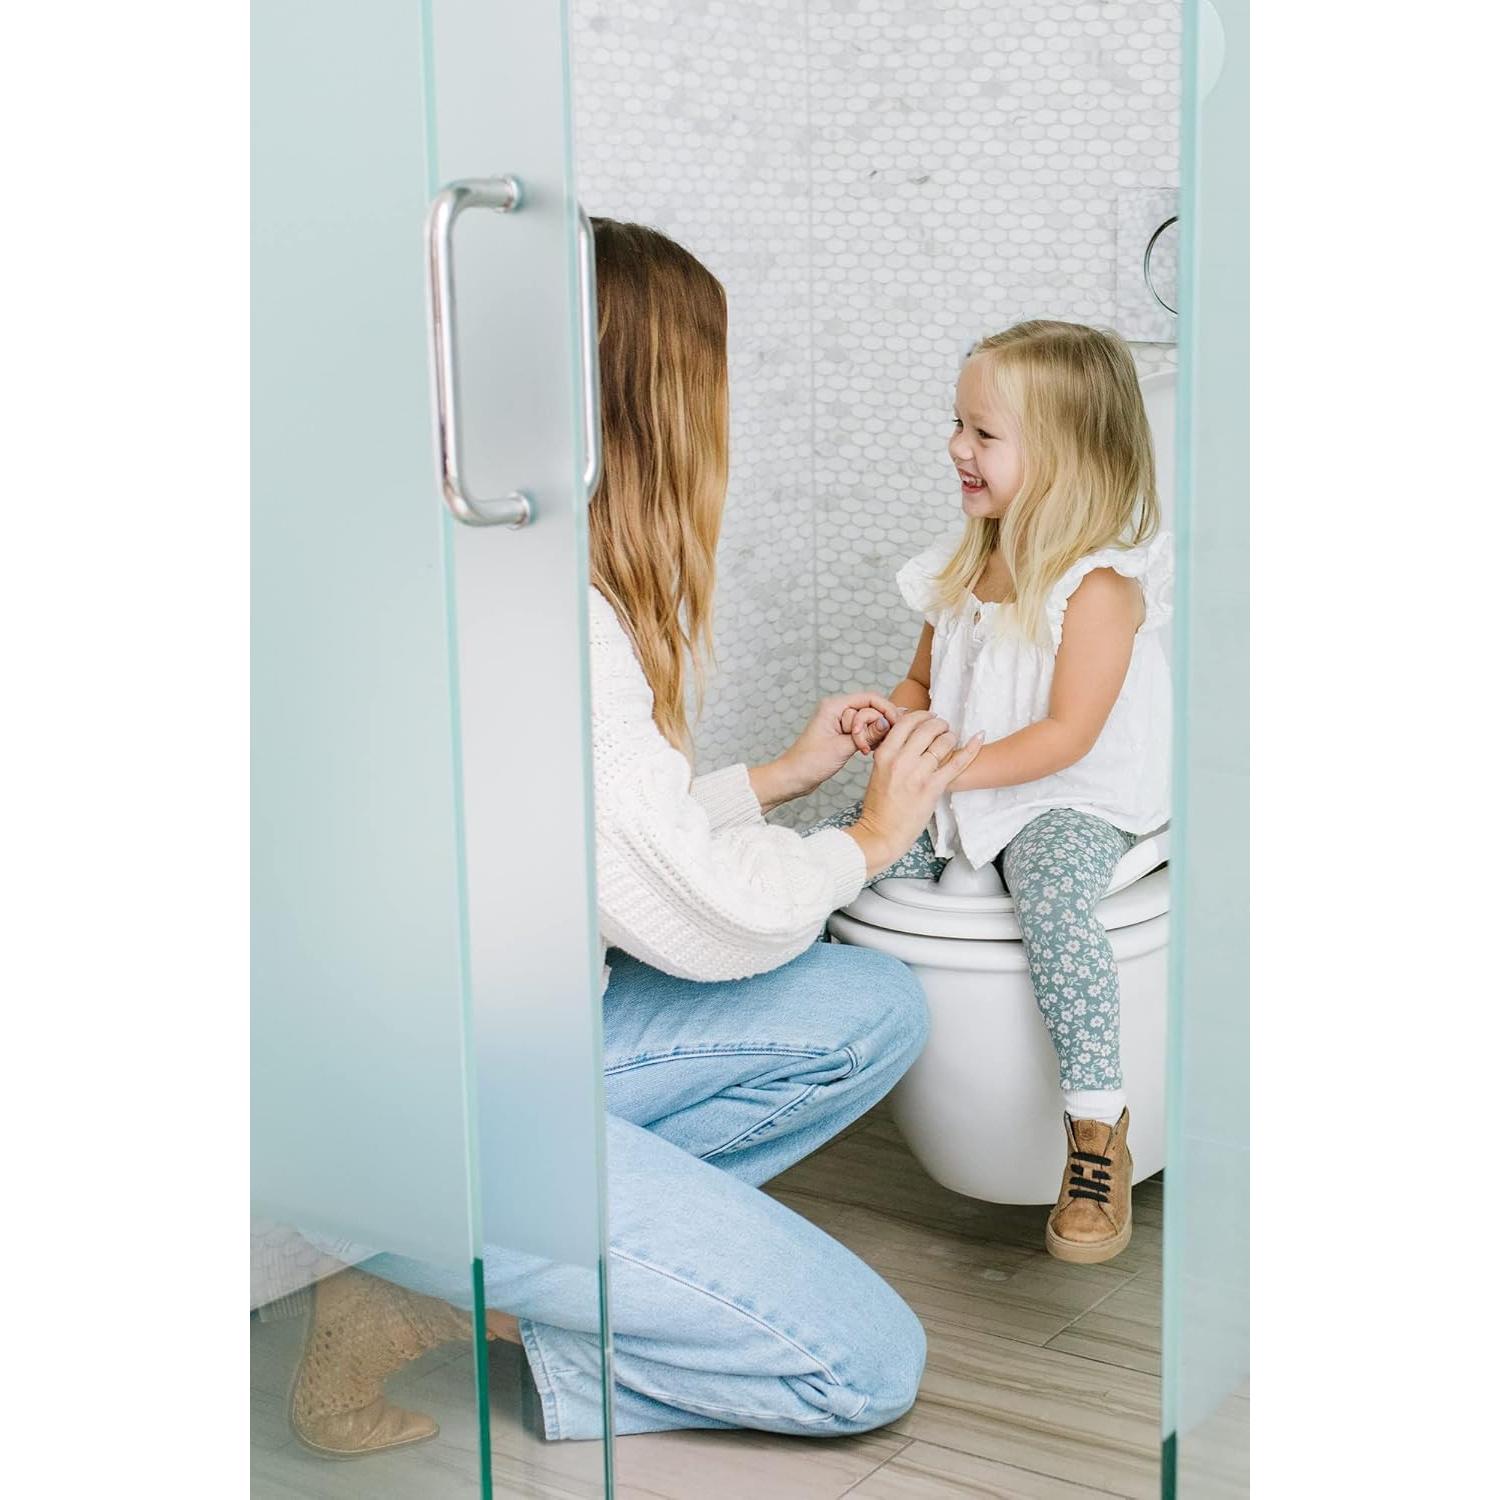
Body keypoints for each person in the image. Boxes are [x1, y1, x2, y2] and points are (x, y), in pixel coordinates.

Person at [287, 220, 981, 1457]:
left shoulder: (472, 544)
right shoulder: (542, 612)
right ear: (649, 406)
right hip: (414, 1117)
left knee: (869, 1003)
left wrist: (777, 779)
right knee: (863, 1369)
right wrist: (871, 837)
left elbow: (571, 844)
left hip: (457, 1051)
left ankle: (437, 1285)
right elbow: (709, 919)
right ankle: (484, 1293)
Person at [812, 320, 1172, 1265]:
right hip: (973, 784)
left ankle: (1096, 1126)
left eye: (981, 432)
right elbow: (926, 683)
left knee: (1052, 898)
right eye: (956, 424)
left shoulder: (1097, 587)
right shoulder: (969, 557)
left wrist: (945, 771)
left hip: (1076, 796)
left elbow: (1067, 736)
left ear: (1062, 455)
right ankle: (793, 1060)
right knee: (846, 867)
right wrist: (892, 723)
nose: (955, 447)